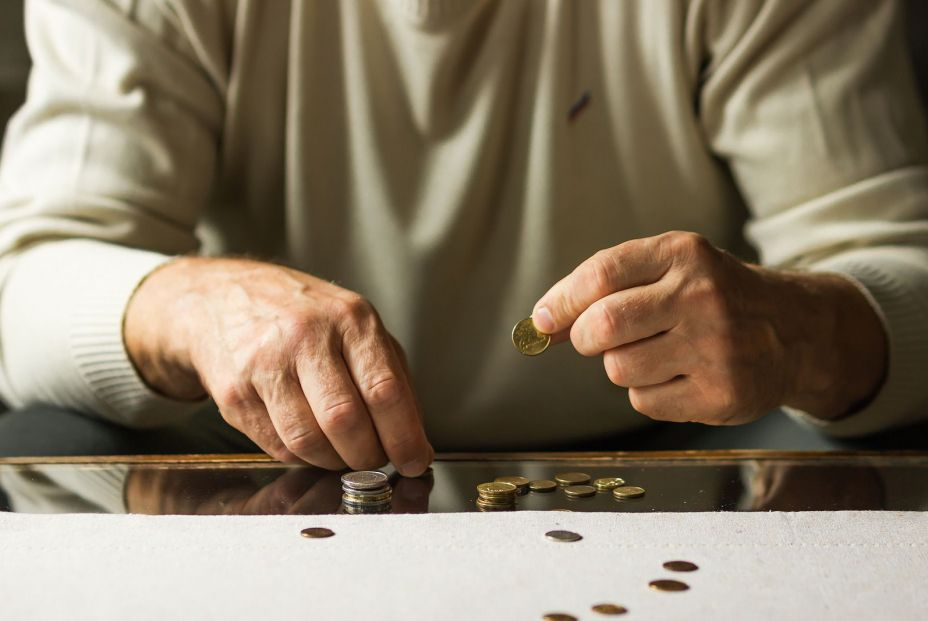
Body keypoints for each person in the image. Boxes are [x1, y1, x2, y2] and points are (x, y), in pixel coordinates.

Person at [0, 0, 926, 473]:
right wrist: (189, 303)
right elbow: (27, 285)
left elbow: (897, 254)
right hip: (249, 464)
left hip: (685, 459)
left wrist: (801, 327)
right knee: (48, 434)